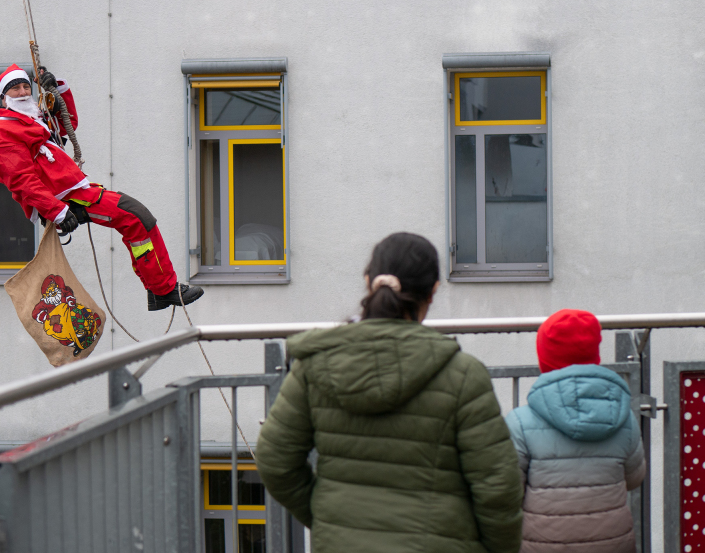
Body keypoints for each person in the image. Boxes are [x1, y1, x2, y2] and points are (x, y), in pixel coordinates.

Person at [255, 232, 524, 553]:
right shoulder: (463, 375)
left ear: (368, 281)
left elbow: (274, 460)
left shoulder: (314, 367)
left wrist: (328, 516)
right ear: (433, 292)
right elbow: (497, 487)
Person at [0, 64, 203, 311]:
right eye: (14, 89)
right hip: (64, 200)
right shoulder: (0, 133)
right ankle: (163, 290)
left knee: (136, 220)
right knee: (136, 217)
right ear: (3, 97)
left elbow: (67, 124)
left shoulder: (30, 120)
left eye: (25, 86)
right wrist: (57, 211)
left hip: (72, 193)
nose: (22, 92)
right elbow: (22, 180)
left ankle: (158, 288)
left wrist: (57, 89)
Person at [505, 309, 646, 553]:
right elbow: (634, 478)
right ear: (595, 356)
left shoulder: (520, 421)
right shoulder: (623, 417)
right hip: (613, 544)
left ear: (544, 358)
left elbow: (510, 491)